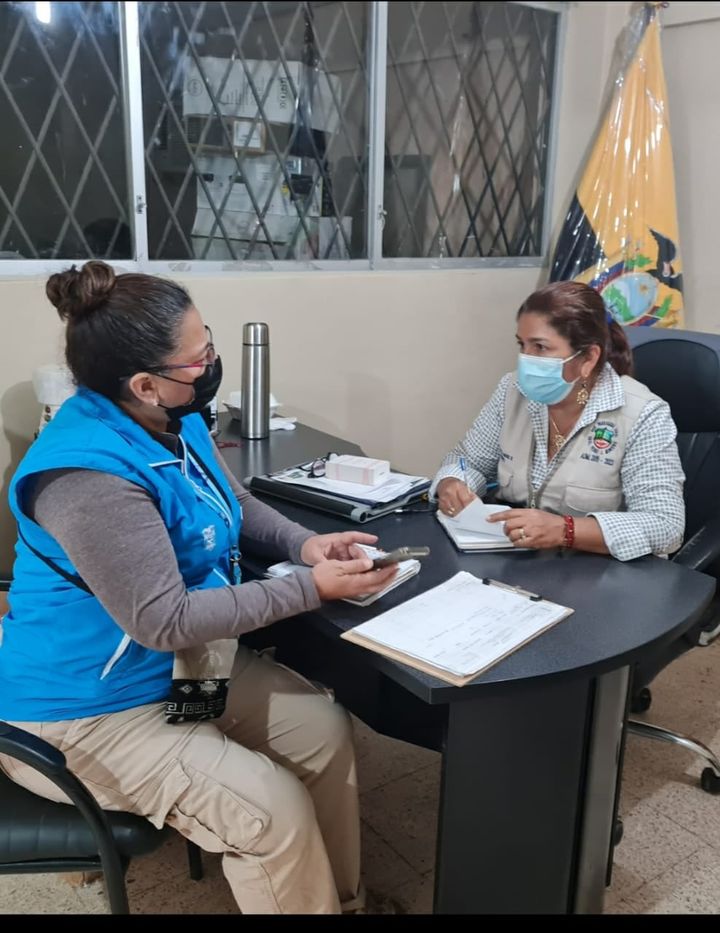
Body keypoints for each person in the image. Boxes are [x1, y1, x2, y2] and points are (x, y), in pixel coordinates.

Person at [0, 260, 400, 914]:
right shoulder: (86, 478)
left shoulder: (173, 417)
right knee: (268, 812)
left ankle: (342, 901)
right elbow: (164, 620)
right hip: (85, 711)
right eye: (198, 358)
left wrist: (306, 546)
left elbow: (233, 501)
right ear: (144, 383)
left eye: (207, 342)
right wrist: (313, 588)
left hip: (176, 670)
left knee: (322, 731)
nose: (211, 363)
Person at [431, 281, 685, 560]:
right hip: (520, 558)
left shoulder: (643, 413)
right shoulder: (512, 390)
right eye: (522, 345)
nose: (525, 359)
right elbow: (467, 460)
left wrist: (567, 530)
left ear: (588, 358)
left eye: (540, 347)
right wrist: (452, 482)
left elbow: (666, 525)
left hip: (600, 569)